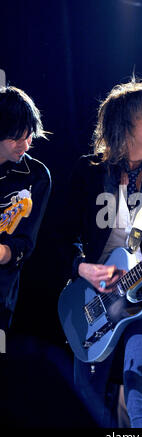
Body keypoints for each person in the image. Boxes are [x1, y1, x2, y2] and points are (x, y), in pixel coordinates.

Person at [61, 78, 142, 428]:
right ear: (125, 123)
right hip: (96, 299)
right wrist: (82, 268)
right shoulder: (87, 173)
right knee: (84, 395)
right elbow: (58, 238)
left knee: (137, 386)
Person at [0, 86, 51, 331]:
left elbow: (24, 245)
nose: (25, 145)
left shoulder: (37, 176)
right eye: (16, 137)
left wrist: (2, 252)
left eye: (29, 136)